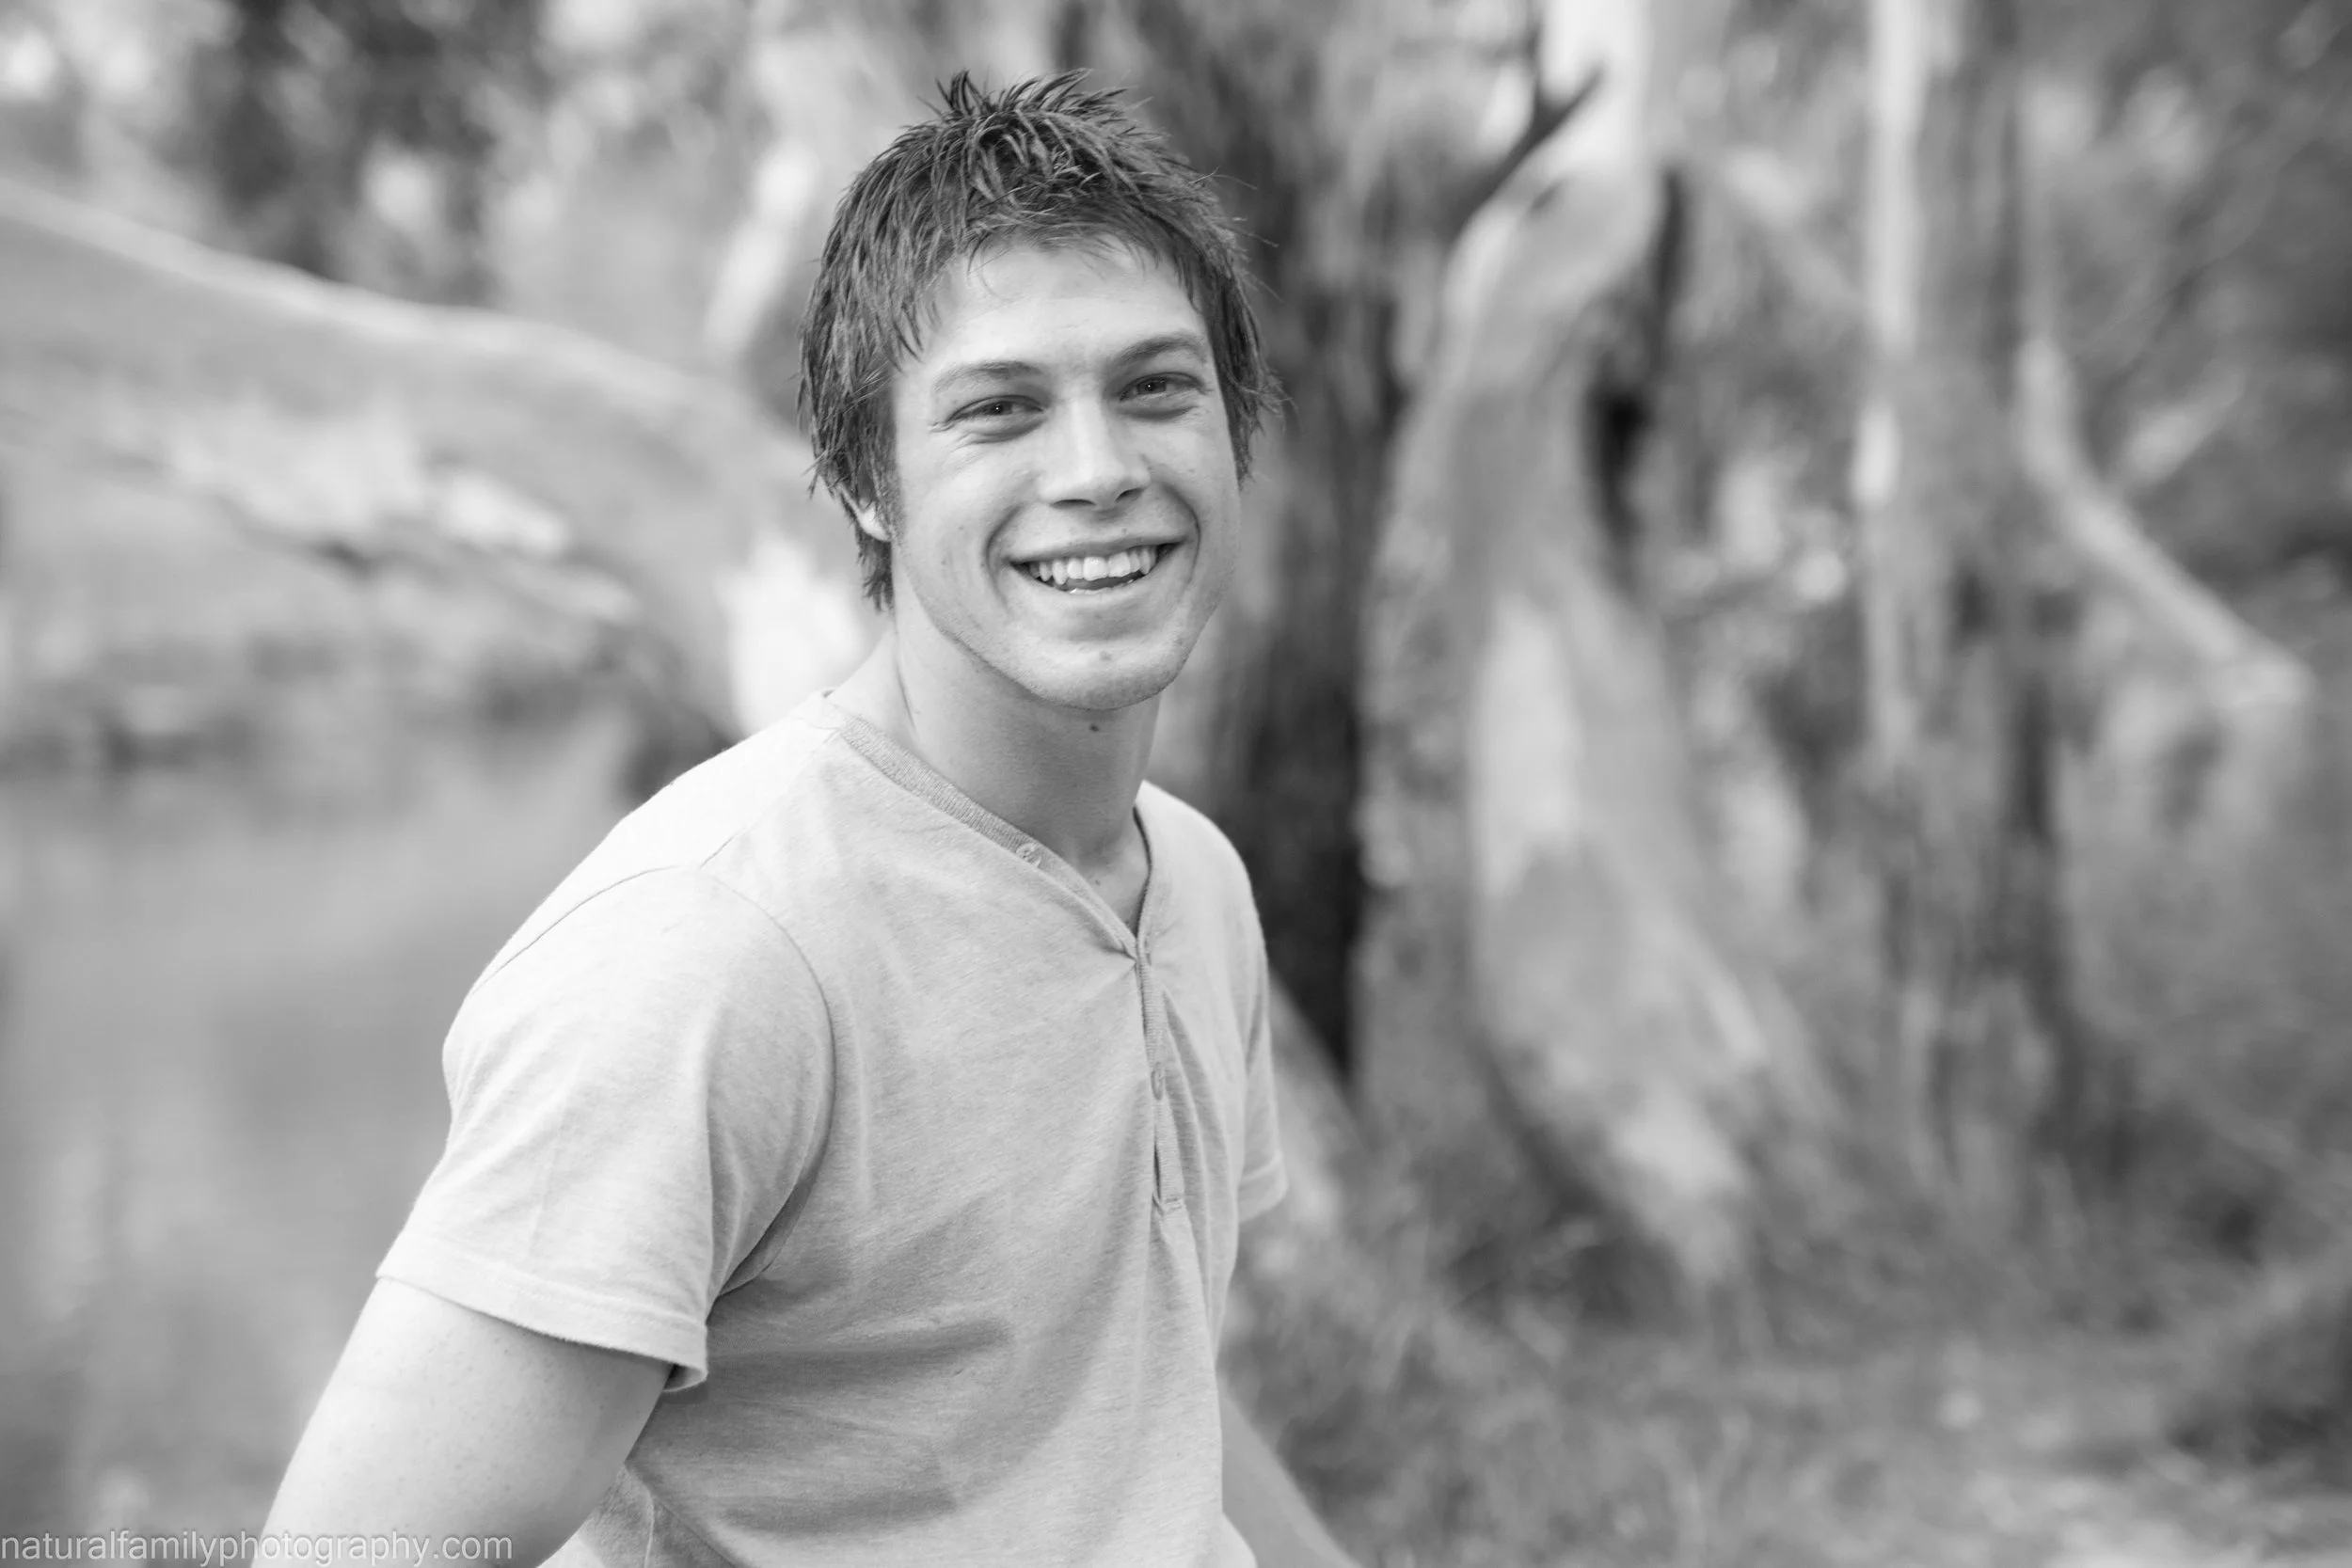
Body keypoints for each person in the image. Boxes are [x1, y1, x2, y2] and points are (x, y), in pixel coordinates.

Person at [261, 72, 1361, 1568]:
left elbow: (1140, 1382)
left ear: (1239, 433)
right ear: (865, 480)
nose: (1098, 471)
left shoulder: (1200, 888)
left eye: (1156, 388)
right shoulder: (712, 950)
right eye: (1000, 410)